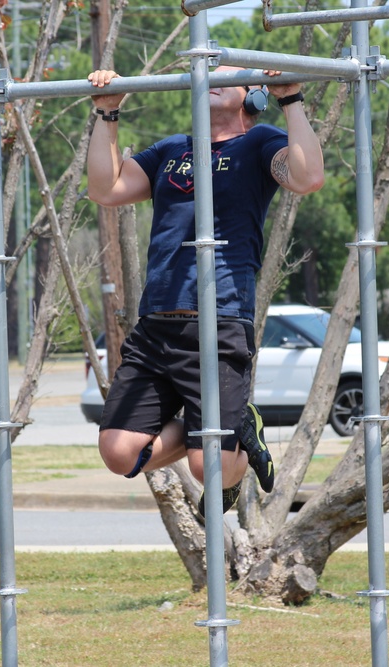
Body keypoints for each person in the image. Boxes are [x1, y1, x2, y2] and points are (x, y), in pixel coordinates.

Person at [86, 66, 324, 516]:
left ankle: (230, 432)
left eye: (225, 76)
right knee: (120, 452)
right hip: (157, 322)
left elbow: (308, 177)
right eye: (205, 74)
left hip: (219, 320)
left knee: (207, 466)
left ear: (253, 97)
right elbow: (106, 188)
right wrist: (107, 114)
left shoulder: (259, 142)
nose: (209, 78)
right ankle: (218, 426)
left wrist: (290, 99)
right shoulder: (172, 149)